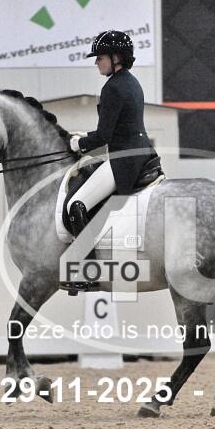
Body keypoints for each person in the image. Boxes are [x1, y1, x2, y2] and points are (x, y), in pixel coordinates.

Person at [63, 30, 159, 292]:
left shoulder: (113, 88)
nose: (96, 62)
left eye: (100, 57)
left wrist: (78, 144)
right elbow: (119, 127)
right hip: (140, 152)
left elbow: (104, 136)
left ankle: (88, 272)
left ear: (116, 58)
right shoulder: (131, 82)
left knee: (76, 205)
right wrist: (86, 136)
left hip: (124, 159)